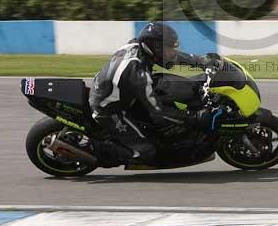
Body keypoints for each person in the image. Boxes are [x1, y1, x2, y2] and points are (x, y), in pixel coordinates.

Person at [88, 21, 221, 166]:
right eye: (168, 48)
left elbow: (175, 58)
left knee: (169, 86)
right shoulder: (138, 74)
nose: (172, 52)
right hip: (109, 109)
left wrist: (202, 61)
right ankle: (98, 148)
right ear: (154, 48)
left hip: (120, 91)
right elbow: (158, 111)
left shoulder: (138, 46)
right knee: (146, 151)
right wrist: (193, 117)